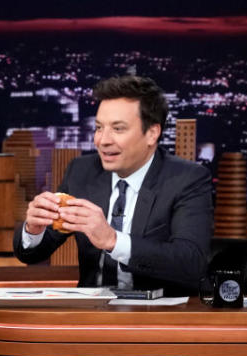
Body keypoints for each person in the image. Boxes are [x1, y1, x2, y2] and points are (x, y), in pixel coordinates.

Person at [13, 75, 213, 296]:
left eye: (118, 129)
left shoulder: (187, 179)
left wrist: (112, 240)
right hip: (90, 318)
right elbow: (32, 254)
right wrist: (33, 230)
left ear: (152, 133)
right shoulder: (81, 172)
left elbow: (191, 262)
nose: (103, 140)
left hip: (158, 318)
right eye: (99, 128)